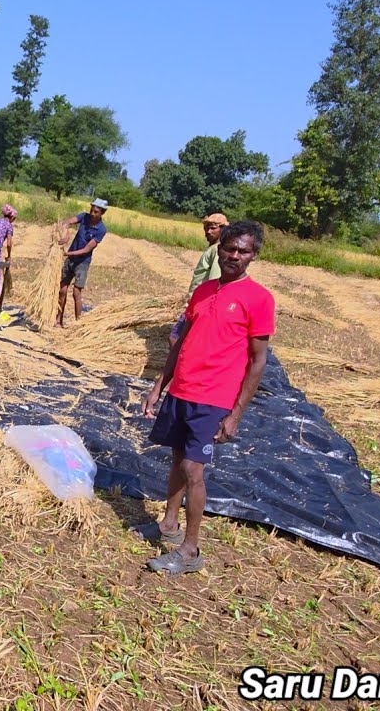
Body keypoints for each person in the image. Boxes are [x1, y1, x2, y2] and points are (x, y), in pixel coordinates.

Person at [140, 220, 276, 575]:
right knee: (177, 459)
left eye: (243, 251)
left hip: (214, 397)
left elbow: (258, 361)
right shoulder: (202, 292)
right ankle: (168, 525)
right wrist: (159, 386)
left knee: (193, 469)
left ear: (253, 255)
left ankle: (190, 551)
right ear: (219, 249)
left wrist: (236, 414)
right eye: (229, 249)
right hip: (182, 389)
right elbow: (180, 343)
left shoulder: (259, 299)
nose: (234, 256)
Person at [169, 212, 229, 346]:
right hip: (197, 302)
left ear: (223, 230)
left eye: (213, 228)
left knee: (176, 337)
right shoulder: (213, 248)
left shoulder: (217, 250)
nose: (208, 231)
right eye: (206, 228)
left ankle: (177, 366)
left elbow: (215, 281)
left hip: (201, 303)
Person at [56, 198, 109, 327]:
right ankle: (58, 320)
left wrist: (67, 254)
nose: (92, 213)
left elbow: (87, 249)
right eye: (92, 210)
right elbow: (68, 221)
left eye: (96, 212)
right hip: (70, 260)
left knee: (76, 292)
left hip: (82, 262)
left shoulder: (101, 230)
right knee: (62, 290)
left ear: (102, 213)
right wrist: (66, 231)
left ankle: (78, 323)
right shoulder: (84, 217)